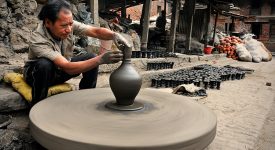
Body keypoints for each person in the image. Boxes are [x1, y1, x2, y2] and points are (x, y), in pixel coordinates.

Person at [23, 0, 131, 106]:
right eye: (64, 26)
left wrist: (114, 35)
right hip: (37, 76)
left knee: (91, 57)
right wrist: (101, 59)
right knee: (44, 64)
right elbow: (67, 67)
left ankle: (85, 98)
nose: (69, 29)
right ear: (48, 23)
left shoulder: (68, 23)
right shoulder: (37, 38)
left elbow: (95, 31)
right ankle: (37, 106)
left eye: (71, 24)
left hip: (60, 71)